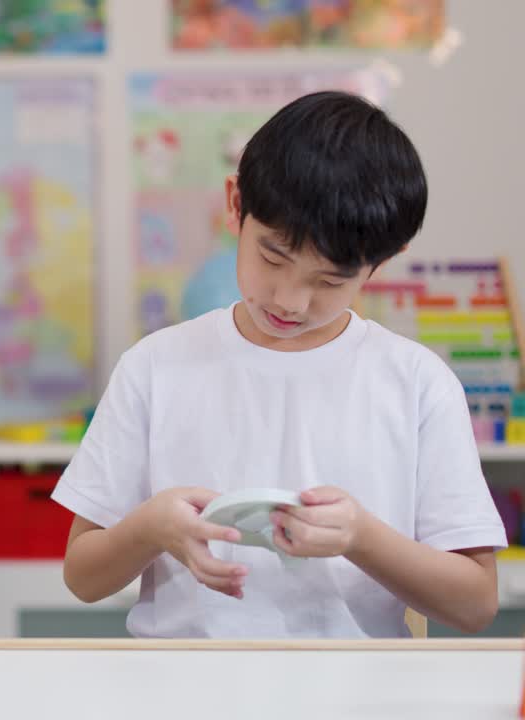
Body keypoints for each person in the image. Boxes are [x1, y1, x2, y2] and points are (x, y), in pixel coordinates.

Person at [55, 91, 505, 637]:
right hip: (183, 691)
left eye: (330, 281)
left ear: (380, 264)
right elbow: (82, 576)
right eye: (272, 257)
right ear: (235, 206)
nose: (290, 300)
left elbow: (477, 602)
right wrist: (150, 529)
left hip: (353, 698)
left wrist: (361, 537)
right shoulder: (155, 367)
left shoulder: (416, 383)